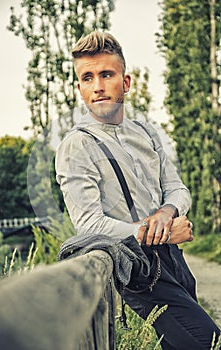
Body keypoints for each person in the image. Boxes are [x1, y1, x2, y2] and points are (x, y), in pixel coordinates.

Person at [55, 31, 220, 349]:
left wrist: (167, 212)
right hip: (141, 273)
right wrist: (161, 233)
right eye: (87, 78)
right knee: (210, 343)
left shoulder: (147, 132)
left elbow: (177, 189)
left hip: (176, 262)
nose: (98, 86)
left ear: (125, 82)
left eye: (106, 74)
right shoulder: (76, 146)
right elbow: (89, 225)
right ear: (80, 88)